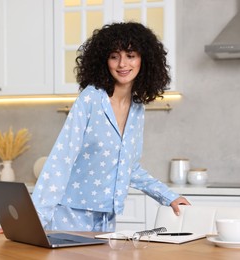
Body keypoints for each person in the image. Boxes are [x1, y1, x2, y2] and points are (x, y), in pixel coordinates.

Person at [31, 22, 190, 232]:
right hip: (70, 212)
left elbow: (130, 167)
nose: (122, 64)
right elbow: (61, 159)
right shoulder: (91, 98)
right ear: (104, 60)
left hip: (107, 215)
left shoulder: (137, 109)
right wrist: (34, 219)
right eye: (114, 56)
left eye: (131, 55)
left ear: (144, 59)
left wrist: (169, 197)